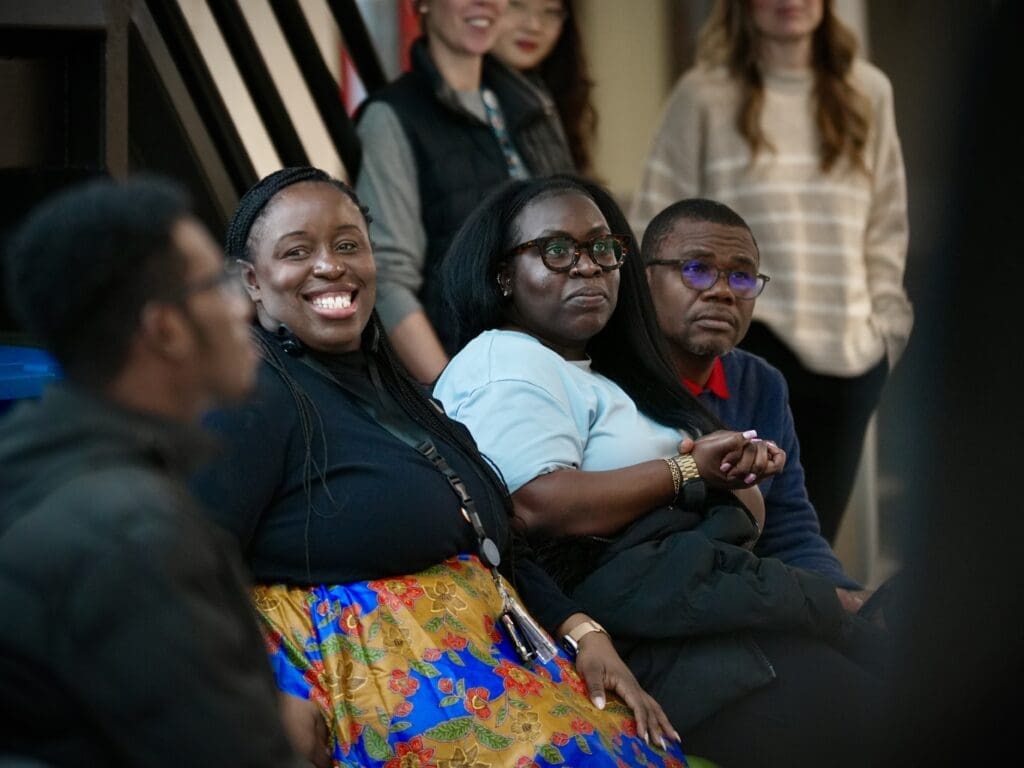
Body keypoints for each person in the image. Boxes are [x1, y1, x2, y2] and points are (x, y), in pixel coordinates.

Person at [191, 166, 684, 768]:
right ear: (253, 283)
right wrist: (259, 699)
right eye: (297, 252)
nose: (330, 266)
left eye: (349, 245)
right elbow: (187, 564)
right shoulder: (250, 396)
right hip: (367, 693)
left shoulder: (404, 395)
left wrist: (584, 633)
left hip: (498, 664)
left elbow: (497, 540)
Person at [435, 173, 889, 768]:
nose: (587, 267)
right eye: (556, 250)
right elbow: (535, 502)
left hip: (708, 612)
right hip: (660, 643)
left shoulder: (599, 374)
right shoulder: (504, 356)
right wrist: (686, 471)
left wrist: (732, 472)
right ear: (503, 275)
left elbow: (769, 522)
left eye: (602, 249)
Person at [0, 177, 302, 767]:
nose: (243, 302)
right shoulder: (132, 532)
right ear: (164, 327)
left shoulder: (34, 453)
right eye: (217, 283)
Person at [629, 0, 913, 543]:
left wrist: (887, 332)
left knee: (809, 537)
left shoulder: (868, 91)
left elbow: (887, 227)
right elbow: (655, 223)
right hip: (746, 343)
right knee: (740, 533)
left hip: (849, 353)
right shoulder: (703, 94)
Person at [643, 197, 869, 612]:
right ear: (644, 281)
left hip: (753, 601)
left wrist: (852, 600)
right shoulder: (611, 379)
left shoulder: (761, 383)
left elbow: (789, 531)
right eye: (697, 269)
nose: (724, 293)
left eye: (743, 277)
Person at [354, 0, 575, 384]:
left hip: (559, 369)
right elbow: (388, 278)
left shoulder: (532, 103)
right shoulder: (391, 117)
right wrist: (452, 396)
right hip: (469, 378)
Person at [491, 0, 597, 176]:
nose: (534, 26)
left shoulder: (552, 96)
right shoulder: (468, 97)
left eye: (551, 12)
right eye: (516, 5)